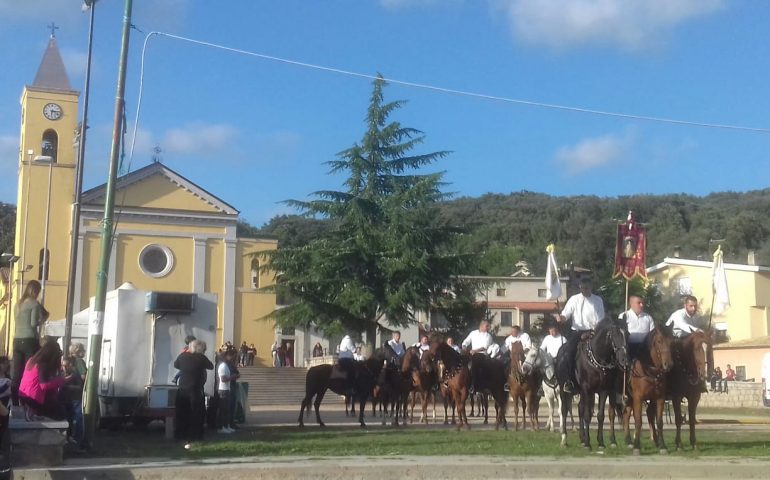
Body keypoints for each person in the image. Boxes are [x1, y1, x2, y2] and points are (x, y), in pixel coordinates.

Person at [556, 277, 606, 393]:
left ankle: (607, 381)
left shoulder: (598, 300)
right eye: (582, 288)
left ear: (591, 287)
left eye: (587, 288)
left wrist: (593, 332)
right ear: (580, 288)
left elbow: (601, 319)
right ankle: (569, 380)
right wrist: (561, 318)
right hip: (577, 332)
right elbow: (566, 314)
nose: (585, 290)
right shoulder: (574, 299)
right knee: (568, 353)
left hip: (594, 332)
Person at [12, 280, 47, 406]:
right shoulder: (34, 304)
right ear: (35, 291)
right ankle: (26, 401)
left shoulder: (18, 304)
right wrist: (41, 320)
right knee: (29, 372)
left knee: (17, 373)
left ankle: (14, 402)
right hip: (30, 340)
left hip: (17, 340)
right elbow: (33, 324)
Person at [174, 340, 214, 443]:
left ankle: (180, 435)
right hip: (195, 390)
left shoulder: (182, 356)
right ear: (201, 349)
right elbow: (211, 366)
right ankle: (195, 435)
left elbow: (176, 365)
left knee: (182, 413)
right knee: (196, 414)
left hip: (182, 389)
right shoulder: (201, 358)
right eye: (204, 349)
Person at [18, 340, 66, 420]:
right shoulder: (43, 365)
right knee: (61, 413)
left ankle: (32, 412)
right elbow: (43, 386)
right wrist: (60, 380)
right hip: (34, 399)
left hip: (23, 396)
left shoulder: (31, 360)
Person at [620, 295, 655, 361]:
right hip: (629, 348)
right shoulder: (623, 316)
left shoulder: (648, 317)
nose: (641, 305)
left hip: (645, 349)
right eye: (639, 303)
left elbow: (653, 334)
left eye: (642, 303)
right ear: (631, 303)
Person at [61, 356, 84, 446]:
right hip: (65, 400)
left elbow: (80, 387)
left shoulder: (75, 375)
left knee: (76, 418)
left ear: (71, 365)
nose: (64, 368)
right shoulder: (61, 374)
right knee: (67, 418)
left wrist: (68, 387)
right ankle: (67, 437)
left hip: (75, 399)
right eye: (63, 366)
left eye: (66, 366)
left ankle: (75, 438)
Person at [216, 348, 237, 434]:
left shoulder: (226, 365)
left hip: (227, 389)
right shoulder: (223, 366)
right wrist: (233, 377)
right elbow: (223, 379)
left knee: (227, 409)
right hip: (223, 390)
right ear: (225, 356)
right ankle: (222, 427)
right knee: (223, 409)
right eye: (229, 356)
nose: (231, 358)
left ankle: (226, 425)